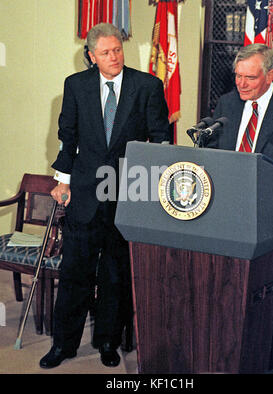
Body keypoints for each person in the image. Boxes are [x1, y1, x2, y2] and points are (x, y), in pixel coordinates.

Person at [40, 23, 169, 369]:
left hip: (128, 194)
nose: (114, 57)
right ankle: (63, 345)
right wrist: (62, 181)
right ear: (91, 56)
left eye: (118, 50)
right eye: (106, 52)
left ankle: (109, 342)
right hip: (84, 194)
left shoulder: (148, 86)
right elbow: (68, 138)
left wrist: (154, 189)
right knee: (74, 275)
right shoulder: (76, 86)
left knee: (115, 275)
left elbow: (160, 139)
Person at [206, 43, 273, 370]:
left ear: (270, 75)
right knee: (227, 297)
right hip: (229, 220)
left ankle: (269, 366)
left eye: (250, 77)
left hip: (272, 223)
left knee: (268, 302)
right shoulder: (226, 104)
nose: (242, 84)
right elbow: (217, 159)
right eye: (237, 76)